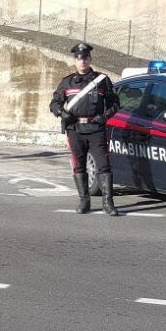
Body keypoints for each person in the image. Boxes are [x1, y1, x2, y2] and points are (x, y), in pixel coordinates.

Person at [49, 43, 120, 216]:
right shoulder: (67, 82)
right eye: (79, 59)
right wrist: (61, 113)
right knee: (79, 166)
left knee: (104, 166)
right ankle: (84, 201)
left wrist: (104, 117)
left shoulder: (102, 80)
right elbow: (54, 103)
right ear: (75, 60)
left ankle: (108, 202)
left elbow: (115, 103)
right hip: (75, 129)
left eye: (86, 58)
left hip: (96, 128)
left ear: (90, 59)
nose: (83, 62)